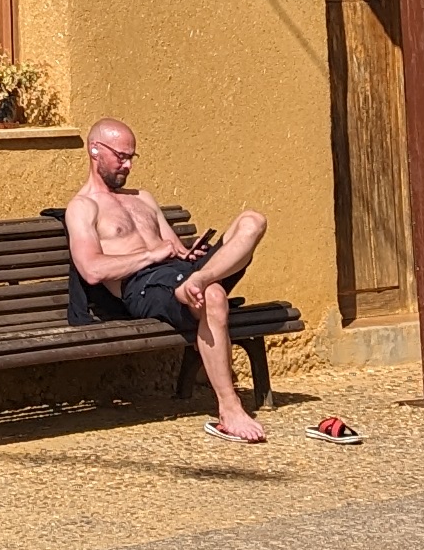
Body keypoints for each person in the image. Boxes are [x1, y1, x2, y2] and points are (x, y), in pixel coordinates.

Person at [64, 118, 272, 443]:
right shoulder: (82, 207)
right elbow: (91, 269)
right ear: (94, 150)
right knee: (213, 297)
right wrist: (151, 256)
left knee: (252, 221)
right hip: (144, 286)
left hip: (181, 275)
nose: (128, 165)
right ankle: (229, 408)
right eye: (121, 156)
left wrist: (189, 255)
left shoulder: (143, 198)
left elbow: (172, 248)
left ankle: (202, 278)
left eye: (132, 157)